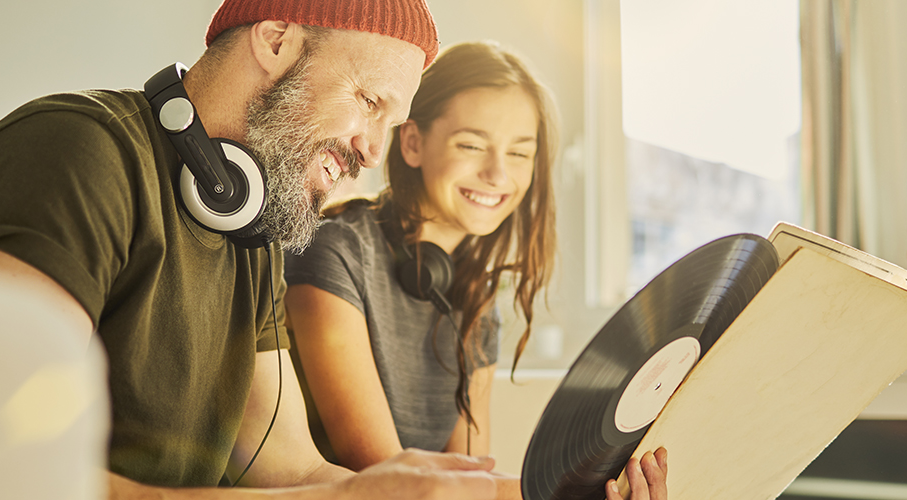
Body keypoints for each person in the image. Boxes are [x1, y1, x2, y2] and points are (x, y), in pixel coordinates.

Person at [0, 1, 506, 499]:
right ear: (276, 41)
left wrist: (487, 493)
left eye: (391, 127)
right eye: (370, 104)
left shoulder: (255, 224)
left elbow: (292, 469)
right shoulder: (76, 151)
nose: (375, 151)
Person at [283, 41, 667, 500]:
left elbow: (471, 476)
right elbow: (384, 476)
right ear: (413, 143)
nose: (498, 174)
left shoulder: (474, 298)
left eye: (520, 154)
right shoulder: (334, 250)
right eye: (471, 144)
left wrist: (605, 490)